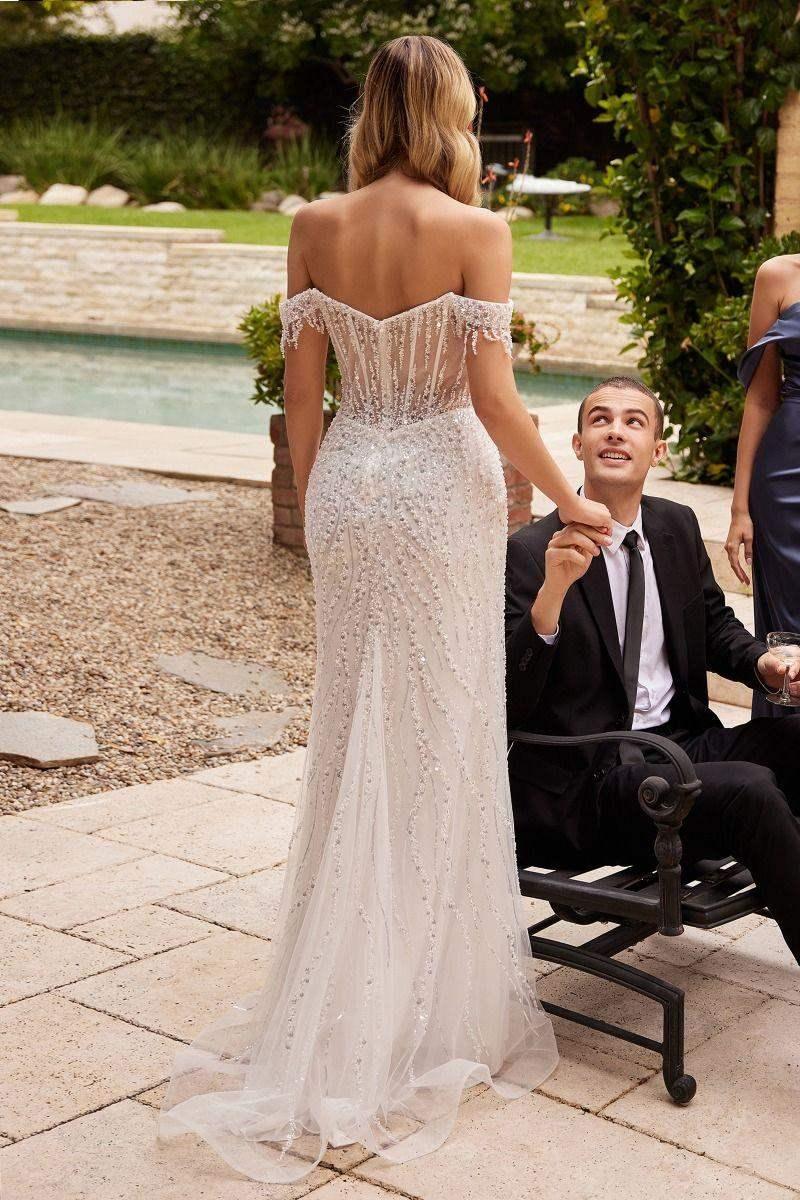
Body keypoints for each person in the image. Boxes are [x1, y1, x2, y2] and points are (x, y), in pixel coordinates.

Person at [156, 35, 611, 1183]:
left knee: (355, 729)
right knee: (435, 733)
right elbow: (494, 402)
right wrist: (571, 498)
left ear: (370, 111)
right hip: (437, 489)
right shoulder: (477, 231)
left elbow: (300, 392)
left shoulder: (315, 221)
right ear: (449, 114)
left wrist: (317, 509)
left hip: (354, 485)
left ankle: (339, 988)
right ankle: (414, 1006)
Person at [505, 375, 800, 964]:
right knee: (750, 792)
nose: (616, 430)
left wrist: (764, 664)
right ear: (578, 445)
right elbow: (508, 697)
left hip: (678, 748)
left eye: (635, 422)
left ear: (657, 451)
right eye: (601, 420)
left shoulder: (674, 526)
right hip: (592, 777)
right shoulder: (533, 551)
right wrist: (552, 595)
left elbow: (713, 627)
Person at [726, 253, 800, 717]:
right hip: (786, 481)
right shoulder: (779, 275)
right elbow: (761, 395)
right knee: (789, 638)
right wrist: (740, 508)